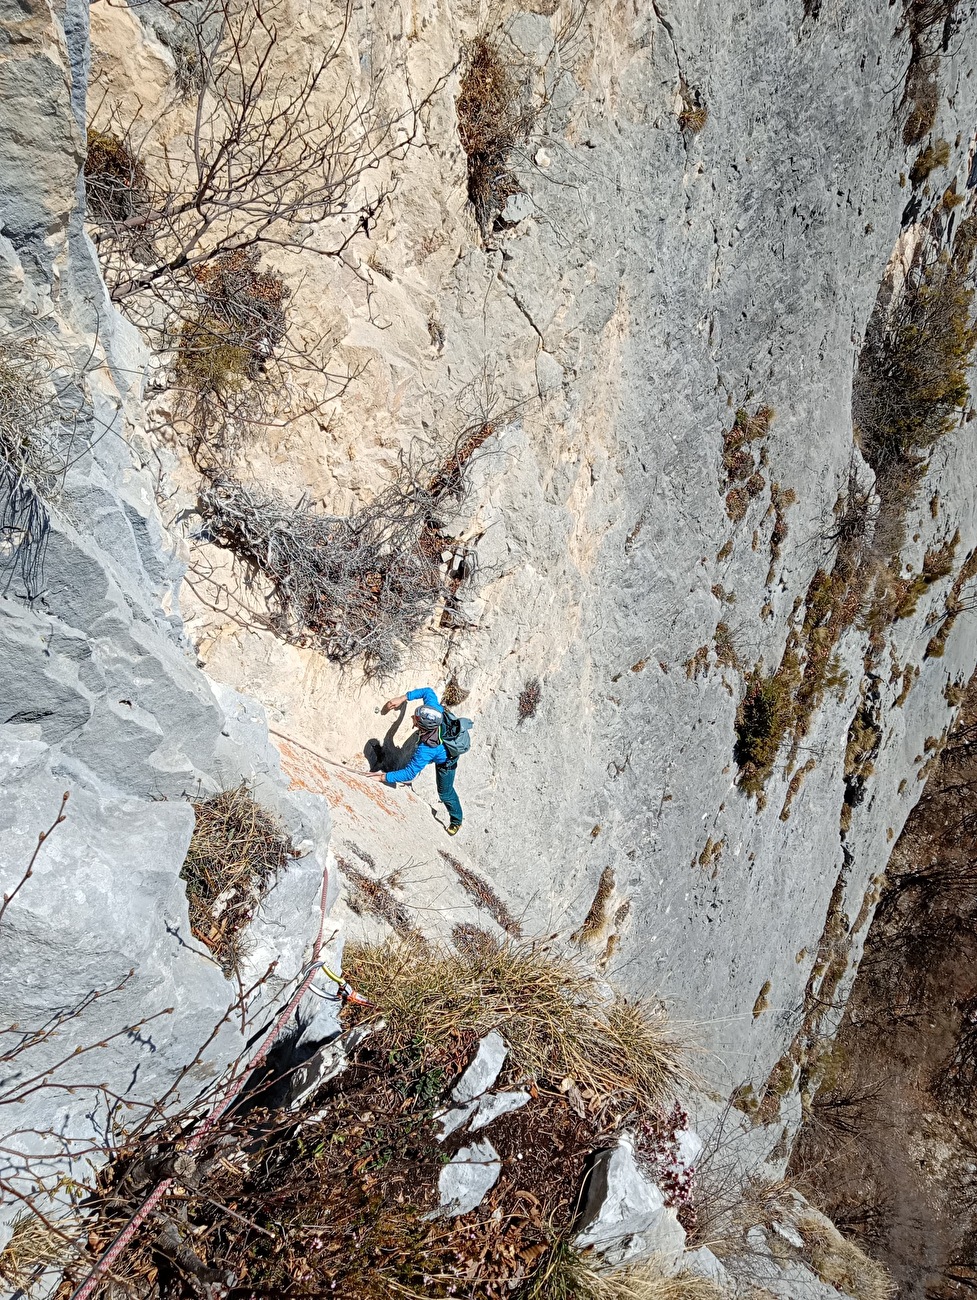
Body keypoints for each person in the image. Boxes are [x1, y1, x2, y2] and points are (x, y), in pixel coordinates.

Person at [367, 687, 463, 835]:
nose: (413, 716)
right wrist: (402, 698)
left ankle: (456, 821)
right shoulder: (434, 709)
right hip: (442, 745)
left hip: (447, 762)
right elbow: (427, 692)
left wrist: (383, 777)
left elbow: (410, 773)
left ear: (422, 727)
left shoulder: (426, 749)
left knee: (445, 792)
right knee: (420, 760)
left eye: (415, 719)